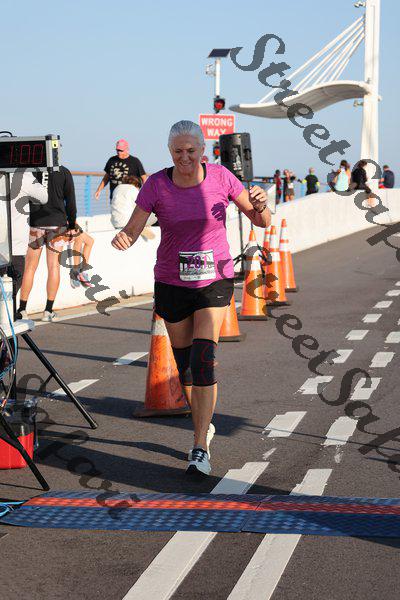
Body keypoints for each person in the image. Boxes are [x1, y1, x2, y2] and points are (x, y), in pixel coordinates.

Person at [111, 120, 270, 476]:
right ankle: (204, 423)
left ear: (203, 150)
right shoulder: (156, 184)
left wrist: (262, 205)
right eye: (178, 151)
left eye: (191, 151)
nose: (185, 158)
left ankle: (199, 445)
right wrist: (123, 238)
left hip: (214, 279)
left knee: (203, 360)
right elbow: (133, 229)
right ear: (170, 152)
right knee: (185, 366)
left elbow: (260, 220)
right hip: (172, 282)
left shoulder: (222, 178)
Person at [17, 166, 77, 322]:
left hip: (36, 223)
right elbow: (71, 201)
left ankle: (22, 310)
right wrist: (72, 225)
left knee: (30, 267)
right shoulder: (64, 172)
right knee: (53, 267)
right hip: (57, 225)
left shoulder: (32, 171)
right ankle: (48, 311)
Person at [0, 172, 48, 316]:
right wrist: (42, 175)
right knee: (13, 285)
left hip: (7, 243)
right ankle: (7, 318)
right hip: (14, 246)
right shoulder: (23, 175)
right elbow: (43, 197)